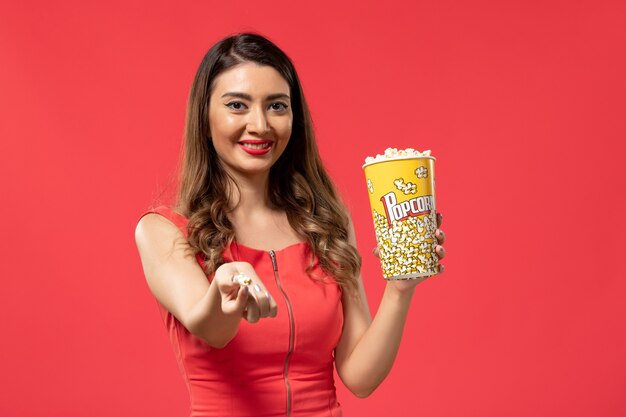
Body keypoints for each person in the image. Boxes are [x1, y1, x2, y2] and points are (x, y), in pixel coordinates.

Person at [134, 33, 446, 417]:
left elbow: (360, 376)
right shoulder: (164, 231)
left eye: (277, 106)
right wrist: (226, 285)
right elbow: (209, 327)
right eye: (237, 105)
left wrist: (400, 288)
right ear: (205, 115)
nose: (260, 124)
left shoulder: (326, 222)